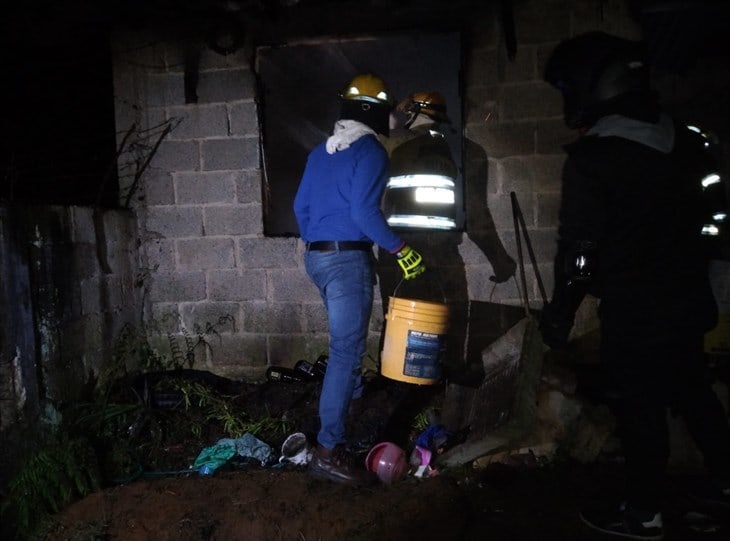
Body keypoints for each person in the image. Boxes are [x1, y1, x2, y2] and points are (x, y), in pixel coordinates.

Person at [540, 31, 730, 540]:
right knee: (694, 393)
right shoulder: (691, 143)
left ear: (597, 86)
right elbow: (716, 224)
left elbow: (578, 252)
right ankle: (727, 487)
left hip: (636, 310)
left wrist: (560, 313)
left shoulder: (595, 157)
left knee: (640, 407)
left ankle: (643, 513)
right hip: (689, 301)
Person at [293, 73, 426, 484]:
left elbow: (300, 208)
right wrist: (402, 250)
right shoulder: (370, 150)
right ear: (373, 113)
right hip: (347, 260)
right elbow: (365, 214)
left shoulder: (320, 152)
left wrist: (321, 240)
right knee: (345, 354)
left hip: (317, 257)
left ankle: (345, 423)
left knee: (345, 351)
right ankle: (328, 450)